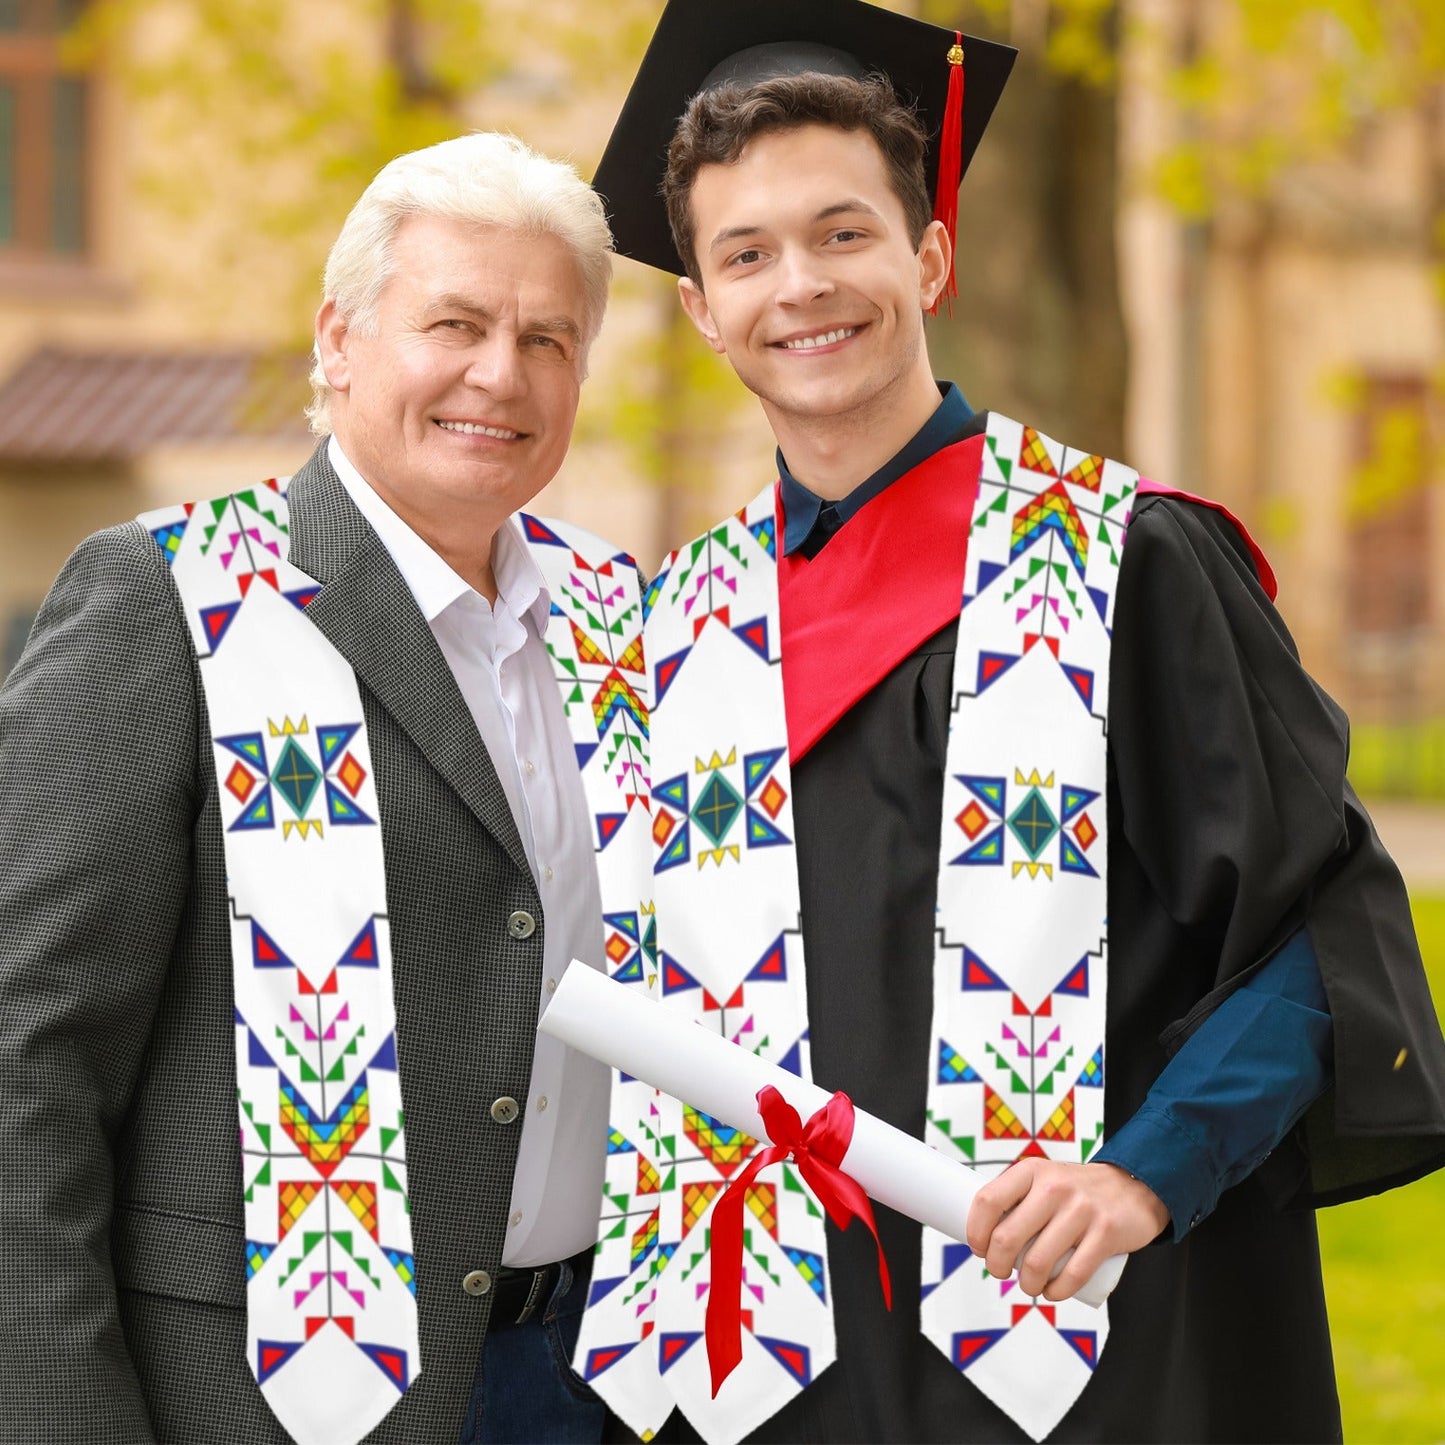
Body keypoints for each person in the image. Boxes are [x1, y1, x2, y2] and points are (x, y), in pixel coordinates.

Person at [569, 3, 1445, 1442]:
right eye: (746, 254)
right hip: (776, 1378)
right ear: (702, 308)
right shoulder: (677, 629)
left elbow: (1318, 931)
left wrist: (1143, 1173)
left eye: (843, 233)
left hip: (1089, 1348)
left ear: (928, 254)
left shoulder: (1126, 561)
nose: (800, 285)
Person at [0, 132, 648, 1445]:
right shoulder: (174, 598)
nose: (498, 373)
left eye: (546, 338)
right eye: (454, 322)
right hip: (266, 1395)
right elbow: (27, 1059)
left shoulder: (622, 624)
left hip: (590, 1382)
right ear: (338, 340)